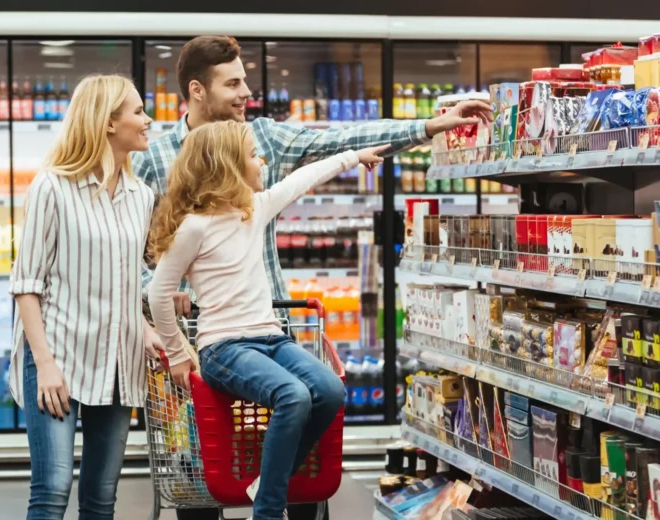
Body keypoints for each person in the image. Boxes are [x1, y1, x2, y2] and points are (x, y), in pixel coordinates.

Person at [132, 34, 491, 520]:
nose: (245, 94)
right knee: (203, 479)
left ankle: (269, 492)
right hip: (201, 343)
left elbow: (338, 142)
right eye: (233, 83)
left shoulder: (262, 140)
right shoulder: (153, 160)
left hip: (272, 326)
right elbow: (135, 255)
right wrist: (163, 303)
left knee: (304, 456)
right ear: (197, 90)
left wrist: (430, 126)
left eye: (246, 82)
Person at [147, 120, 387, 520]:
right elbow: (158, 292)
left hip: (271, 338)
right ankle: (268, 511)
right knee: (292, 395)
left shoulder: (252, 210)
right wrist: (176, 353)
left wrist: (352, 157)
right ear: (228, 166)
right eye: (254, 155)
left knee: (329, 389)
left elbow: (303, 178)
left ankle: (266, 483)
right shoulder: (194, 228)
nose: (262, 162)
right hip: (224, 347)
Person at [8, 74, 162, 520]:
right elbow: (26, 284)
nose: (147, 119)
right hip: (57, 355)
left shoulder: (141, 196)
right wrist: (47, 365)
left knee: (101, 496)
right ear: (108, 123)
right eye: (137, 111)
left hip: (117, 360)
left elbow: (126, 279)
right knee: (53, 489)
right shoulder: (52, 188)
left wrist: (147, 329)